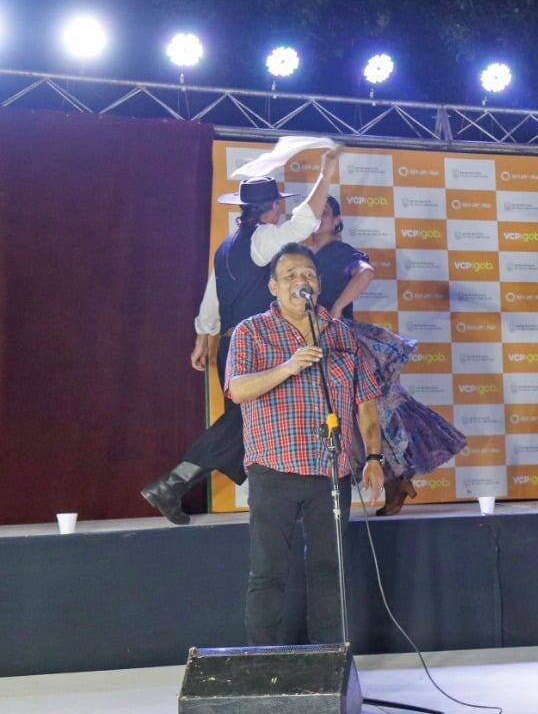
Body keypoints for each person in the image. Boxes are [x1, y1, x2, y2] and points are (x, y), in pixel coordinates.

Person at [140, 152, 339, 523]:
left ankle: (259, 503)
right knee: (242, 423)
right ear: (275, 206)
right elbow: (304, 223)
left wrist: (203, 335)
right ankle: (172, 484)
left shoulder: (227, 245)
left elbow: (213, 295)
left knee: (248, 425)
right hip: (256, 345)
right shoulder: (263, 239)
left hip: (230, 344)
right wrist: (326, 174)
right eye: (281, 203)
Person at [225, 242, 382, 645]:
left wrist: (375, 456)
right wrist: (289, 365)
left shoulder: (343, 335)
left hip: (331, 474)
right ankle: (263, 669)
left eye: (308, 274)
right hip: (273, 471)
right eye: (291, 275)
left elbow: (366, 403)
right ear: (274, 287)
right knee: (269, 572)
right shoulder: (251, 332)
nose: (301, 281)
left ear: (319, 285)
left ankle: (328, 668)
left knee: (331, 573)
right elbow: (238, 389)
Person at [303, 196, 466, 515]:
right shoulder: (304, 255)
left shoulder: (342, 252)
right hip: (315, 341)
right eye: (313, 213)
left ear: (337, 220)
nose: (317, 219)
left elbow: (365, 272)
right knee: (352, 413)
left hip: (341, 341)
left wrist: (337, 306)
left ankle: (396, 478)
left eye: (324, 213)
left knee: (379, 410)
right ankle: (392, 480)